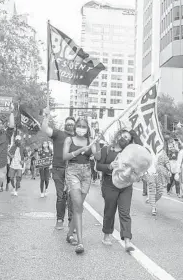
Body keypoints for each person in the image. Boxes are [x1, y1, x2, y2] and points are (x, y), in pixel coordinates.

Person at [97, 130, 148, 252]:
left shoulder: (130, 153)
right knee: (109, 210)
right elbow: (98, 166)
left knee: (125, 212)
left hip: (126, 184)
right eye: (123, 136)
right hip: (109, 183)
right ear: (117, 135)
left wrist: (134, 134)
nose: (124, 138)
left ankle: (127, 240)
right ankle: (106, 235)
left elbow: (142, 152)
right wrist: (109, 166)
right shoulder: (106, 150)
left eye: (127, 138)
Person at [62, 118, 101, 254]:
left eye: (84, 126)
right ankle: (80, 242)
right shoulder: (69, 140)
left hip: (86, 173)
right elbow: (64, 156)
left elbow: (98, 157)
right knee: (78, 206)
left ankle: (69, 234)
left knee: (78, 207)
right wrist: (79, 151)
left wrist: (97, 142)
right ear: (75, 127)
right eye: (78, 126)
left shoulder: (91, 140)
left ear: (87, 128)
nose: (81, 128)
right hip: (72, 172)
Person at [41, 107, 75, 230]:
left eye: (72, 124)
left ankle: (72, 222)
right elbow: (45, 129)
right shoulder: (58, 134)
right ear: (65, 124)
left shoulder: (78, 138)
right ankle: (59, 220)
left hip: (73, 170)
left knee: (72, 196)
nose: (70, 125)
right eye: (68, 123)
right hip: (58, 169)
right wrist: (46, 116)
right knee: (61, 196)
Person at [143, 149, 171, 216]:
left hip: (160, 174)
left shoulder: (162, 151)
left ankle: (151, 201)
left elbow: (166, 161)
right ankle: (153, 208)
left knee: (160, 192)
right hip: (150, 173)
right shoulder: (147, 150)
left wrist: (169, 170)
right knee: (152, 190)